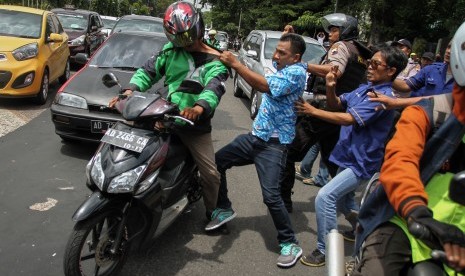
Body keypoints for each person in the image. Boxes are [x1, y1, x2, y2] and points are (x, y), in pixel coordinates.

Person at [351, 21, 465, 275]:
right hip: (406, 221)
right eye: (370, 64)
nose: (371, 67)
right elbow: (399, 162)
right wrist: (416, 211)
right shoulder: (429, 112)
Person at [108, 1, 229, 223]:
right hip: (164, 115)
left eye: (188, 35)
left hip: (194, 125)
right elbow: (147, 72)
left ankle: (214, 212)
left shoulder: (217, 60)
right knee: (133, 151)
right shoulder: (170, 51)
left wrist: (198, 108)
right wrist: (129, 91)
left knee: (211, 174)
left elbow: (214, 88)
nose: (185, 42)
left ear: (198, 28)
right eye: (179, 38)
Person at [296, 46, 407, 267]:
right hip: (346, 157)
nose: (369, 67)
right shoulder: (364, 89)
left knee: (325, 197)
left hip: (361, 163)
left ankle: (325, 250)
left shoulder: (383, 98)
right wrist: (330, 86)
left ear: (391, 71)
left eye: (376, 64)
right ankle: (364, 230)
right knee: (346, 204)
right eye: (369, 63)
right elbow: (336, 104)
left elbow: (348, 119)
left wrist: (312, 111)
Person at [207, 33, 308, 268]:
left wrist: (236, 64)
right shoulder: (285, 64)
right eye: (276, 50)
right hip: (255, 138)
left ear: (296, 57)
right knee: (217, 163)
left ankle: (290, 242)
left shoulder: (296, 73)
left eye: (282, 53)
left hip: (273, 145)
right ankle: (223, 208)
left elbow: (263, 85)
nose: (275, 56)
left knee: (271, 196)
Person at [280, 12, 370, 215]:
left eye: (335, 30)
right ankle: (351, 210)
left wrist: (301, 64)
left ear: (345, 31)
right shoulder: (360, 52)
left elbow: (333, 71)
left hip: (322, 111)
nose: (330, 34)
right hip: (340, 114)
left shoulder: (341, 47)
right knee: (333, 162)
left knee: (288, 152)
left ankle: (283, 201)